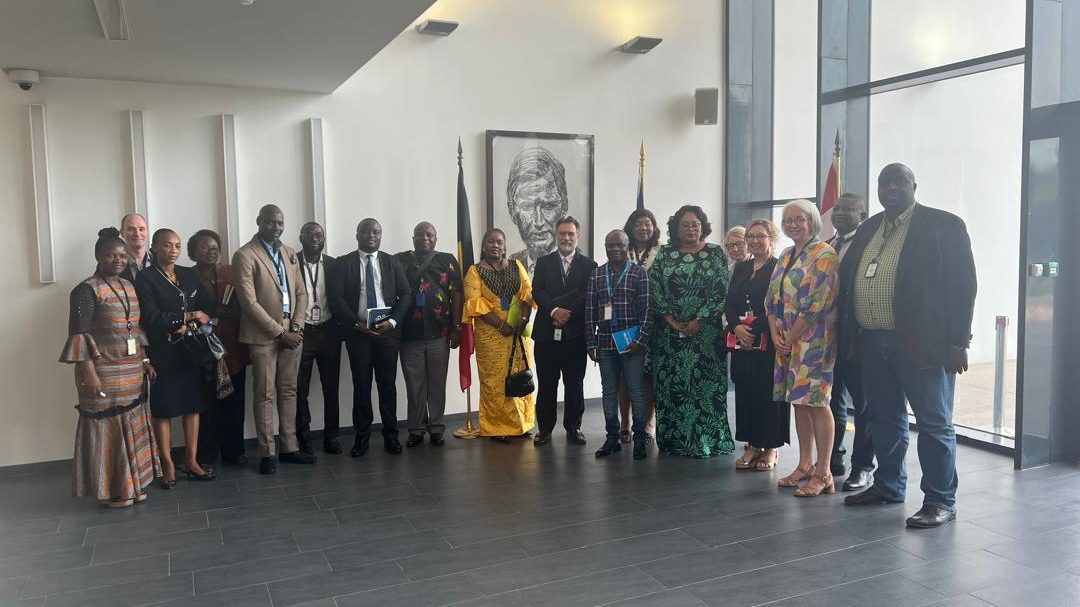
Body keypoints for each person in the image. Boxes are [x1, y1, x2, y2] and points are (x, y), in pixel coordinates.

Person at [840, 163, 976, 528]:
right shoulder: (868, 228)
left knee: (934, 424)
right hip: (872, 344)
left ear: (914, 184)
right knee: (883, 419)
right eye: (885, 183)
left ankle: (940, 500)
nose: (891, 188)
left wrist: (958, 342)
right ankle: (888, 485)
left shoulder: (943, 225)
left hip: (924, 345)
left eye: (899, 181)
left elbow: (963, 288)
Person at [61, 227, 161, 507]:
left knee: (132, 425)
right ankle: (113, 490)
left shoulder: (129, 286)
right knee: (108, 431)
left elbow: (136, 329)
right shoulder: (85, 289)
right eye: (110, 255)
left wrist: (144, 361)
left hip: (130, 372)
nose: (117, 260)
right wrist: (87, 372)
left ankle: (133, 485)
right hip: (102, 373)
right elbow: (79, 335)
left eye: (121, 255)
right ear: (98, 256)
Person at [233, 204, 316, 474]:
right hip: (262, 335)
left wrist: (297, 326)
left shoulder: (289, 253)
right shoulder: (245, 255)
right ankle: (268, 453)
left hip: (293, 331)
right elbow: (248, 302)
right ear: (259, 222)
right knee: (265, 394)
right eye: (270, 222)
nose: (276, 227)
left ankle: (290, 448)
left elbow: (301, 294)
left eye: (280, 223)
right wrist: (280, 333)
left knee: (289, 390)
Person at [767, 199, 839, 498]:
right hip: (786, 340)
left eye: (800, 219)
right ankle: (805, 464)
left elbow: (815, 305)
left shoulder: (824, 254)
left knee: (817, 402)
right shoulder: (785, 254)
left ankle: (824, 472)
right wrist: (776, 335)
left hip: (814, 340)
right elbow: (770, 300)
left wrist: (790, 337)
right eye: (788, 220)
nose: (793, 225)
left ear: (813, 222)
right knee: (798, 401)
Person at [650, 205, 734, 458]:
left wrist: (701, 318)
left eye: (695, 224)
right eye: (685, 225)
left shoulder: (716, 253)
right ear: (676, 229)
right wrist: (670, 319)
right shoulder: (664, 254)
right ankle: (673, 440)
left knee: (705, 387)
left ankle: (708, 441)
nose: (690, 229)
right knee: (672, 386)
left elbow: (721, 289)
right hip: (669, 335)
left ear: (703, 227)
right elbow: (655, 288)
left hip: (706, 335)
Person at [135, 229, 216, 486]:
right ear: (155, 247)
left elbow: (207, 307)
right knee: (164, 409)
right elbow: (150, 317)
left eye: (178, 245)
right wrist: (188, 317)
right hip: (163, 351)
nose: (173, 250)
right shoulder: (146, 278)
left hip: (190, 350)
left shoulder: (188, 274)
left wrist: (193, 321)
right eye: (167, 245)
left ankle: (191, 461)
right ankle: (167, 464)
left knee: (193, 405)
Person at [328, 218, 411, 458]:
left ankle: (391, 436)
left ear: (381, 235)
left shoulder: (391, 261)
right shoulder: (344, 263)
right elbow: (337, 298)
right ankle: (361, 438)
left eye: (376, 232)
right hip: (358, 334)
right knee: (361, 386)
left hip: (387, 334)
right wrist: (356, 324)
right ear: (357, 235)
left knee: (387, 386)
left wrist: (393, 322)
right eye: (366, 231)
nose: (371, 235)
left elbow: (406, 293)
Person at [726, 219, 789, 472]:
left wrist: (753, 330)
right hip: (742, 342)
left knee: (768, 393)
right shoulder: (741, 267)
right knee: (746, 391)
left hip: (768, 340)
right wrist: (736, 327)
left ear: (771, 239)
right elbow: (729, 302)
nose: (754, 241)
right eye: (750, 237)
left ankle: (771, 447)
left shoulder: (779, 268)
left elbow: (780, 305)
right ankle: (752, 444)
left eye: (760, 236)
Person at [462, 228, 536, 441]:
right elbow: (475, 304)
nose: (495, 245)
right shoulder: (474, 271)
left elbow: (527, 294)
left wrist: (522, 320)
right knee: (495, 382)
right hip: (491, 336)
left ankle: (522, 425)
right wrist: (500, 325)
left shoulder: (516, 265)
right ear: (484, 246)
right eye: (491, 242)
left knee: (521, 377)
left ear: (505, 246)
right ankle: (497, 427)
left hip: (518, 333)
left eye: (500, 242)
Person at [394, 221, 463, 448]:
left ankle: (436, 428)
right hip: (409, 335)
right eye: (420, 234)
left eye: (429, 234)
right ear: (413, 238)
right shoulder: (399, 260)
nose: (425, 238)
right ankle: (415, 429)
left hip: (440, 333)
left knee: (436, 384)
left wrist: (456, 328)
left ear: (436, 238)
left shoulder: (448, 260)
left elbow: (457, 296)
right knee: (414, 386)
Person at [587, 229, 653, 460]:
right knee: (609, 393)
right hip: (605, 343)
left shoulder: (638, 274)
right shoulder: (597, 275)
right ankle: (612, 438)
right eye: (610, 245)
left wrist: (640, 341)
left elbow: (647, 312)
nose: (615, 249)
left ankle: (639, 440)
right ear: (605, 247)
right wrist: (590, 343)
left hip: (631, 345)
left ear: (627, 246)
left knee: (636, 392)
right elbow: (590, 312)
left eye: (620, 245)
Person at [824, 193, 876, 491]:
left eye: (848, 209)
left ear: (863, 214)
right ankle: (833, 458)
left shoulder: (867, 245)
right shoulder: (828, 245)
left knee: (864, 405)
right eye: (837, 209)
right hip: (829, 340)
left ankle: (863, 466)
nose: (841, 213)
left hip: (857, 339)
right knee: (832, 401)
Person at [531, 216, 596, 446]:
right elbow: (537, 292)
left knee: (574, 385)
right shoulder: (543, 262)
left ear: (578, 236)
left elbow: (587, 295)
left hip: (575, 335)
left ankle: (573, 428)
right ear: (556, 236)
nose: (566, 238)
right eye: (562, 234)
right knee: (547, 384)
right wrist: (555, 310)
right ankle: (545, 430)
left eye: (571, 234)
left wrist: (567, 313)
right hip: (546, 335)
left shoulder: (590, 266)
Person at [189, 229, 250, 467]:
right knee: (206, 402)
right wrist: (214, 312)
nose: (211, 250)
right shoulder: (186, 276)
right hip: (201, 347)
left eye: (215, 247)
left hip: (232, 346)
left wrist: (229, 312)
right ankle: (206, 454)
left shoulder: (230, 272)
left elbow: (245, 302)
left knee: (234, 401)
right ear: (193, 251)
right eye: (204, 246)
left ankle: (234, 450)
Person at [295, 222, 344, 455]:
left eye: (319, 234)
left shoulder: (335, 265)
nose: (315, 238)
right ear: (300, 237)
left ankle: (331, 437)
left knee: (331, 388)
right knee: (298, 389)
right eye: (310, 234)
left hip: (328, 332)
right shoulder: (291, 262)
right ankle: (303, 440)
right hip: (301, 332)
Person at [618, 208, 660, 444]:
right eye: (639, 224)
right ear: (631, 227)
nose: (644, 228)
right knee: (626, 374)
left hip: (653, 322)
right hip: (626, 322)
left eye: (648, 224)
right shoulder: (621, 250)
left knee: (648, 375)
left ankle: (647, 424)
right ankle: (625, 423)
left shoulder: (662, 253)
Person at [505, 147, 569, 276]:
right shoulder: (509, 266)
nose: (538, 222)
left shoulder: (580, 266)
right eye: (528, 207)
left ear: (564, 207)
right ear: (512, 211)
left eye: (548, 206)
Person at [119, 213, 152, 282]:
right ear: (122, 233)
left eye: (141, 229)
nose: (137, 234)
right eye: (130, 229)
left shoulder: (160, 262)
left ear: (147, 232)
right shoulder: (111, 265)